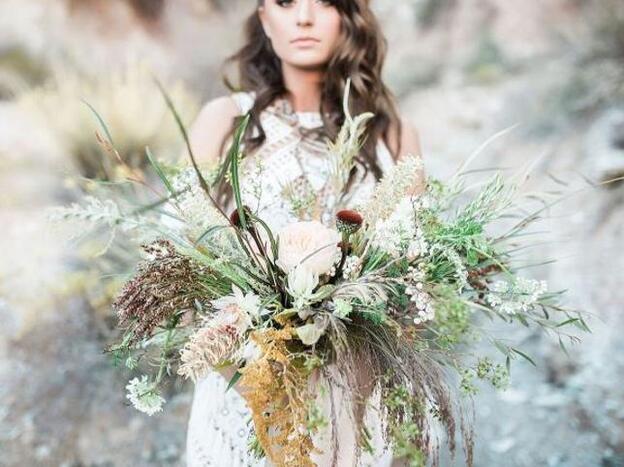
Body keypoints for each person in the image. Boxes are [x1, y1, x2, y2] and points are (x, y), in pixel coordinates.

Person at [184, 0, 426, 465]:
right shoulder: (223, 120)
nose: (304, 18)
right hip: (245, 379)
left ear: (349, 18)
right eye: (286, 2)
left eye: (326, 3)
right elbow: (185, 253)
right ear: (263, 17)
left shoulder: (393, 136)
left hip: (355, 386)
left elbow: (414, 268)